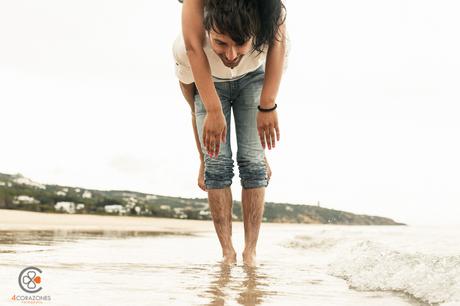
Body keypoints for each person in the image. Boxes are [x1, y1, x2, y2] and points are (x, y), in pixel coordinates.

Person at [173, 0, 288, 266]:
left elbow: (278, 48)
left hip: (253, 77)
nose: (232, 55)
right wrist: (212, 112)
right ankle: (228, 252)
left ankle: (250, 252)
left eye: (240, 44)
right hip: (208, 79)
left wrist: (268, 105)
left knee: (252, 163)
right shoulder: (186, 47)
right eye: (221, 43)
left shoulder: (270, 15)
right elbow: (194, 108)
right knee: (217, 164)